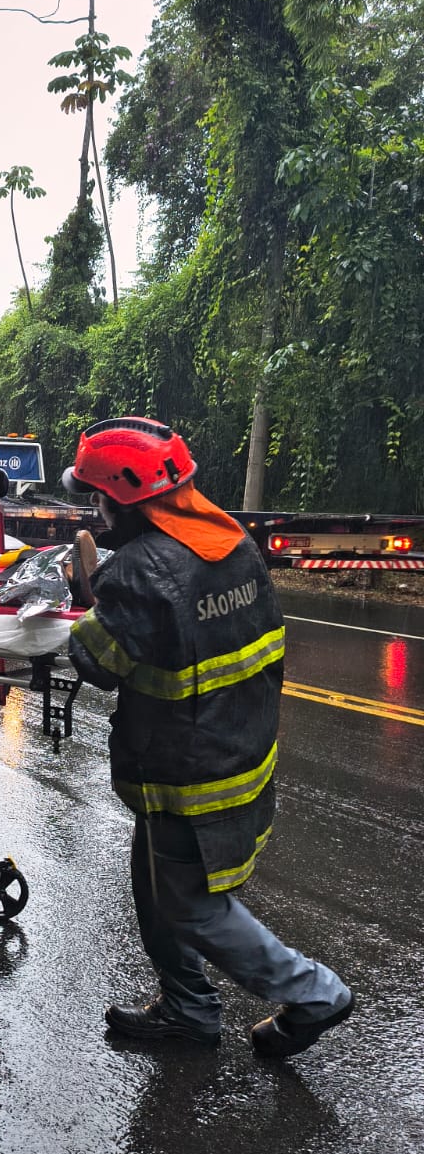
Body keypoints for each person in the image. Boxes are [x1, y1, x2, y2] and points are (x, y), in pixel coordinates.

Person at [63, 416, 353, 1057]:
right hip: (239, 748)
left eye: (98, 497)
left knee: (191, 906)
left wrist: (87, 597)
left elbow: (97, 663)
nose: (96, 511)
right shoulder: (233, 540)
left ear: (122, 500)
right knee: (156, 887)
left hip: (187, 772)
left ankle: (315, 993)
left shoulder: (138, 572)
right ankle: (188, 1010)